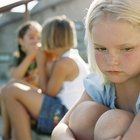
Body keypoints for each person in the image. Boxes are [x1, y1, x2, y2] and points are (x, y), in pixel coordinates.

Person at [51, 0, 140, 140]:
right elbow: (60, 128)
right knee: (83, 115)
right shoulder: (102, 84)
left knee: (115, 122)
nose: (111, 61)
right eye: (101, 48)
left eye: (126, 49)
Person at [0, 15, 90, 140]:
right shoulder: (69, 57)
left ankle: (5, 136)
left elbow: (48, 92)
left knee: (11, 90)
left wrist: (41, 62)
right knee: (10, 89)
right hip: (63, 111)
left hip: (65, 116)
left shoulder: (64, 63)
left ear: (49, 38)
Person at [0, 20, 42, 140]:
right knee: (3, 90)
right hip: (19, 98)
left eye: (39, 37)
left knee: (8, 90)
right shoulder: (17, 57)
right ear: (21, 41)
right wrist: (30, 56)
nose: (36, 41)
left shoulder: (44, 55)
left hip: (34, 98)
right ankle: (6, 133)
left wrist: (36, 56)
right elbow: (14, 77)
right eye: (31, 37)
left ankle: (4, 135)